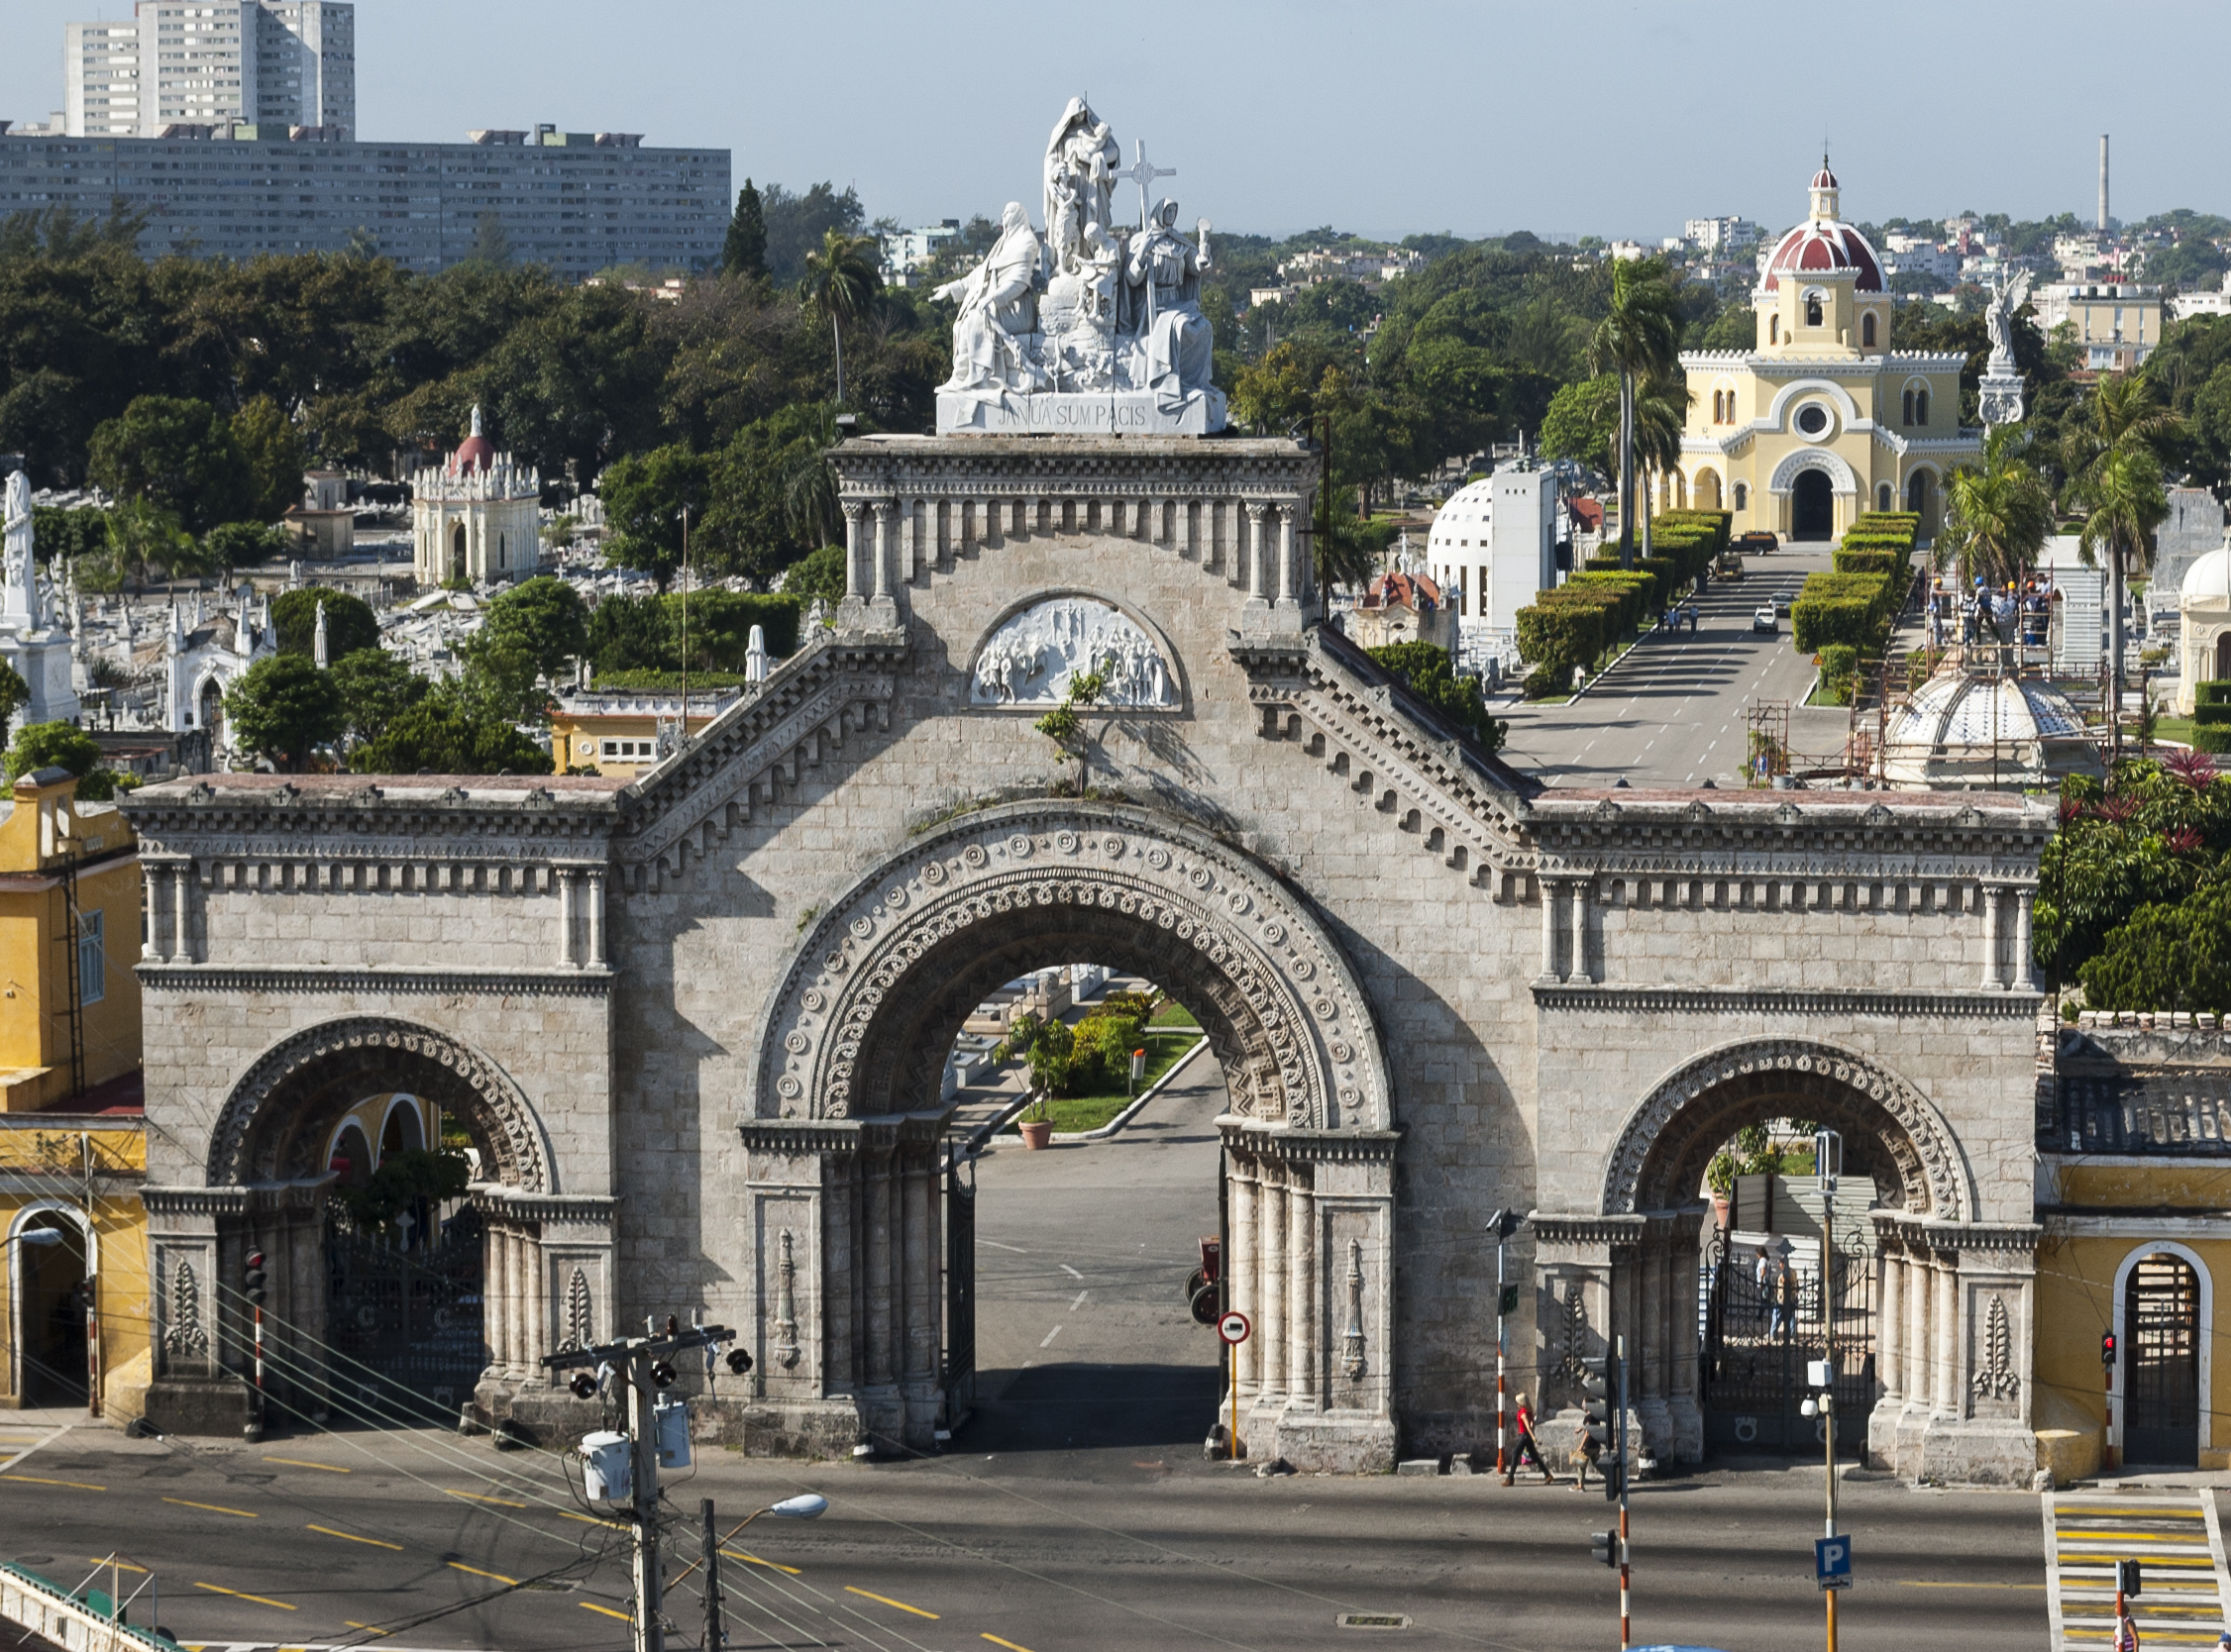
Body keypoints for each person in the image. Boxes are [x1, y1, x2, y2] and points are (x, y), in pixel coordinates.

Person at [1505, 1390, 1553, 1486]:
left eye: (1518, 1403)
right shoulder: (1529, 1411)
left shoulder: (1523, 1413)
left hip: (1524, 1436)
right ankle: (1548, 1475)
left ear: (1521, 1403)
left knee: (1515, 1455)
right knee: (1535, 1456)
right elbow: (1532, 1424)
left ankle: (1510, 1478)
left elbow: (1527, 1427)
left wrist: (1533, 1438)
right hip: (1527, 1437)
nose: (1517, 1404)